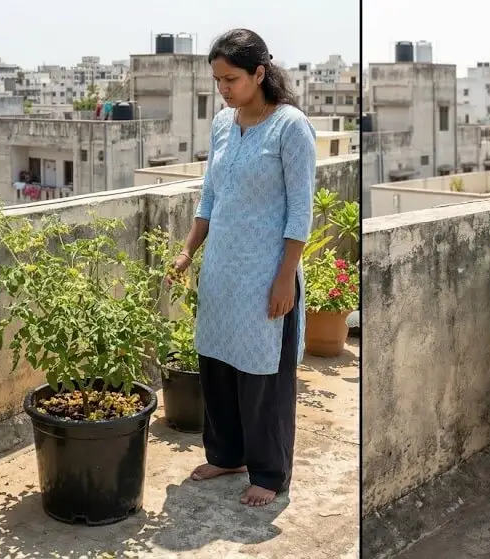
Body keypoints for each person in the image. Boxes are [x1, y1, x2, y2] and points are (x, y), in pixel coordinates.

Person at [168, 28, 316, 507]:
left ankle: (270, 473)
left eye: (230, 79)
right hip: (222, 271)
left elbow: (300, 211)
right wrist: (189, 250)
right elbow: (210, 195)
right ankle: (227, 454)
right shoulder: (222, 124)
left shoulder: (290, 127)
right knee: (217, 366)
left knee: (262, 376)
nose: (223, 89)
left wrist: (284, 278)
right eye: (217, 80)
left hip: (265, 274)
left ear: (259, 73)